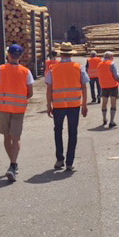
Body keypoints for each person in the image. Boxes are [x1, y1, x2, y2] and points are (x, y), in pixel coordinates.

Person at [0, 44, 34, 182]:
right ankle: (13, 164)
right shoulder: (26, 72)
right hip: (19, 109)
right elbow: (30, 93)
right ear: (20, 56)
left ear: (8, 55)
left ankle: (13, 164)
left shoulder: (0, 69)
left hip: (3, 108)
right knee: (16, 138)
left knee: (6, 137)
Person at [46, 42, 88, 172]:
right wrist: (84, 104)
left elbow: (49, 88)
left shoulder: (53, 68)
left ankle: (60, 159)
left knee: (58, 131)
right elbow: (84, 86)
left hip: (58, 105)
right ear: (71, 54)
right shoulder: (79, 67)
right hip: (74, 105)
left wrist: (48, 105)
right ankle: (70, 162)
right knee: (73, 132)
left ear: (61, 54)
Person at [98, 51, 119, 127]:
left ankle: (104, 119)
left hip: (103, 86)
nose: (113, 58)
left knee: (104, 103)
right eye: (112, 56)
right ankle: (111, 121)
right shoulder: (112, 64)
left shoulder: (99, 64)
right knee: (113, 103)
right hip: (113, 86)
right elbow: (116, 76)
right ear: (110, 57)